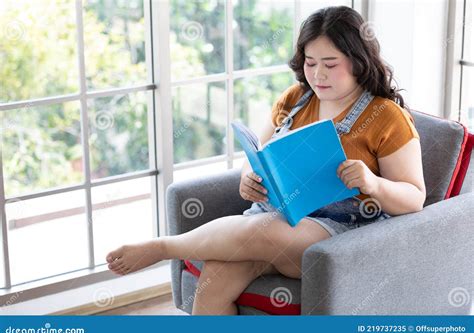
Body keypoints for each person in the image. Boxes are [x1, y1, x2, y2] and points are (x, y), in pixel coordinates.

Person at [106, 6, 426, 315]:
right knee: (212, 287)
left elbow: (415, 198)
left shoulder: (386, 116)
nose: (317, 74)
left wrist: (373, 183)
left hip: (339, 231)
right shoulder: (294, 99)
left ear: (358, 61)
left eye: (331, 63)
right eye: (311, 63)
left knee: (259, 230)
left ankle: (163, 248)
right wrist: (250, 178)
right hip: (276, 214)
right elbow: (258, 154)